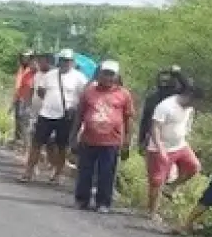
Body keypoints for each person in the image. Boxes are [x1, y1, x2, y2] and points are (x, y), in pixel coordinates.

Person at [69, 61, 135, 213]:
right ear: (99, 74)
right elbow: (79, 115)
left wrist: (127, 142)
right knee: (85, 171)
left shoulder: (123, 94)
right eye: (105, 73)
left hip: (111, 141)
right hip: (88, 139)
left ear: (117, 76)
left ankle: (103, 202)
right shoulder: (89, 92)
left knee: (106, 173)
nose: (107, 77)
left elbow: (128, 119)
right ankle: (82, 199)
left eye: (111, 74)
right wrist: (73, 137)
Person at [20, 49, 87, 183]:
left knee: (61, 146)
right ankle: (29, 171)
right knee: (36, 143)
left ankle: (57, 174)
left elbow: (84, 97)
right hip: (46, 114)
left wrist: (73, 108)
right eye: (62, 60)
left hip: (65, 116)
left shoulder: (79, 78)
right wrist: (50, 101)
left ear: (72, 62)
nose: (65, 63)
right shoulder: (50, 75)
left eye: (67, 61)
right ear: (58, 61)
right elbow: (40, 91)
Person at [145, 83, 201, 222]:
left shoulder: (189, 109)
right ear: (189, 96)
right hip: (161, 146)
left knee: (194, 167)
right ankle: (152, 212)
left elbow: (186, 125)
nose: (195, 105)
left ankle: (171, 187)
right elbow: (155, 128)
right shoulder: (165, 106)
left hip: (180, 145)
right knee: (157, 181)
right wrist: (160, 149)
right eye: (195, 101)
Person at [137, 67, 188, 153]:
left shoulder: (178, 96)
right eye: (162, 80)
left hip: (174, 142)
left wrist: (178, 74)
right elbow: (145, 121)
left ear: (172, 81)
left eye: (166, 80)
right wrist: (141, 140)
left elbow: (188, 88)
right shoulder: (151, 98)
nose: (163, 82)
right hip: (154, 140)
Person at [10, 51, 36, 148]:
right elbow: (18, 85)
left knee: (24, 120)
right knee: (18, 118)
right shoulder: (21, 69)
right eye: (23, 57)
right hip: (19, 96)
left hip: (26, 99)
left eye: (27, 57)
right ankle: (18, 139)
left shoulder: (31, 71)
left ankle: (24, 142)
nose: (25, 59)